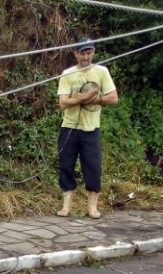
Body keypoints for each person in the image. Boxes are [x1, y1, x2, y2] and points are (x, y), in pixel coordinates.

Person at [56, 36, 118, 219]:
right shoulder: (67, 73)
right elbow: (63, 102)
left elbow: (113, 98)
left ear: (93, 53)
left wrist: (96, 99)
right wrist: (82, 98)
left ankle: (92, 207)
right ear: (76, 54)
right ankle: (66, 206)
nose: (86, 56)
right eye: (82, 53)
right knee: (66, 165)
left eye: (89, 52)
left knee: (92, 167)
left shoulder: (102, 72)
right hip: (69, 127)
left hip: (91, 129)